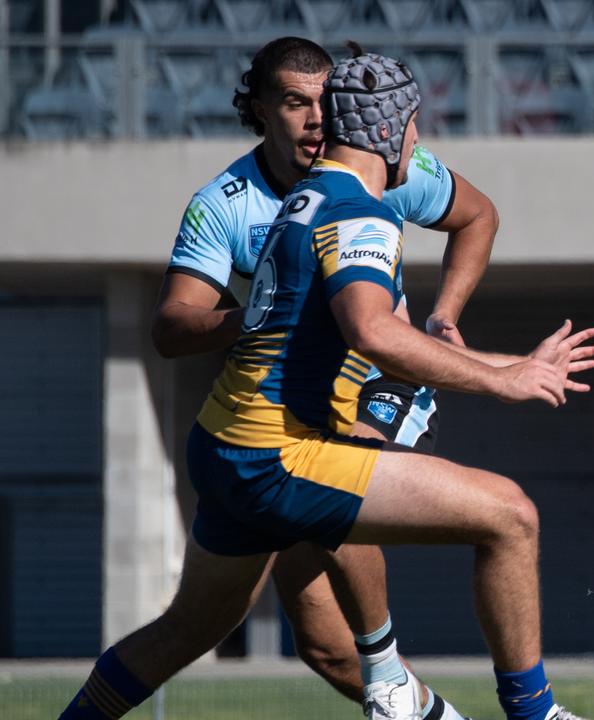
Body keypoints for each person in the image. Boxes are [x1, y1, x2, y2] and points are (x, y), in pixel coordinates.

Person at [60, 48, 594, 720]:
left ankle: (389, 682)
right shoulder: (351, 209)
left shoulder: (312, 194)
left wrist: (454, 329)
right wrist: (506, 380)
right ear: (392, 131)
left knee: (207, 631)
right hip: (281, 453)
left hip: (224, 439)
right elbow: (373, 333)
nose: (419, 143)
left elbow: (466, 227)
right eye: (415, 128)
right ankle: (517, 710)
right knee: (510, 517)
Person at [151, 36, 494, 712]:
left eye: (325, 102)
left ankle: (392, 666)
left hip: (379, 387)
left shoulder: (385, 164)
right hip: (280, 411)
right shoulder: (225, 203)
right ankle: (419, 701)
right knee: (318, 644)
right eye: (294, 103)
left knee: (353, 481)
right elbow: (170, 327)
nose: (316, 119)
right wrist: (259, 314)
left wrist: (445, 317)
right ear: (258, 108)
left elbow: (478, 215)